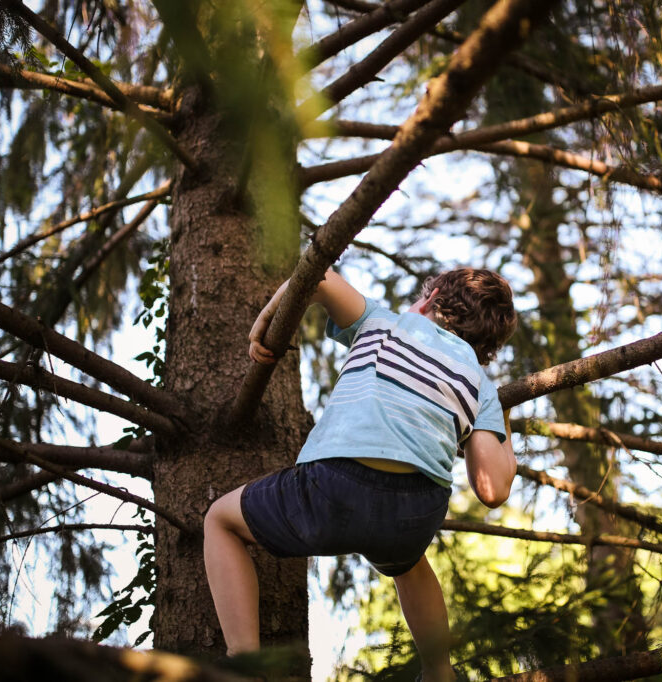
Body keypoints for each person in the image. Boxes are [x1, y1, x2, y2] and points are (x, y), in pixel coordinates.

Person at [204, 267, 519, 682]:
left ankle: (243, 660)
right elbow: (493, 489)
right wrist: (501, 423)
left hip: (336, 482)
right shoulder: (480, 383)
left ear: (430, 298)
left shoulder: (384, 321)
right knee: (409, 565)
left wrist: (264, 323)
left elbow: (317, 276)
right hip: (414, 511)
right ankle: (440, 672)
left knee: (220, 520)